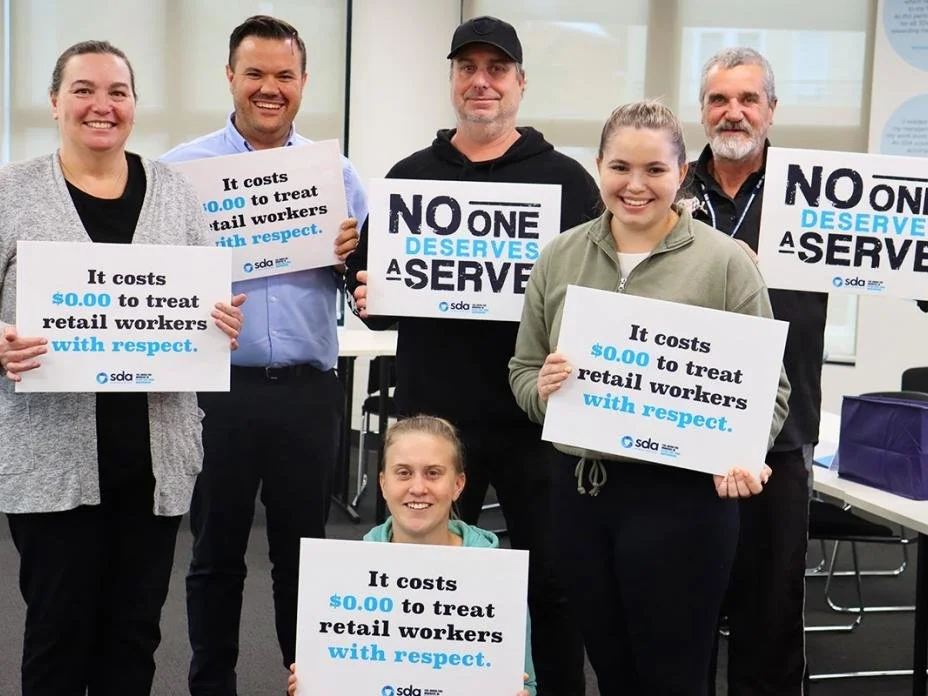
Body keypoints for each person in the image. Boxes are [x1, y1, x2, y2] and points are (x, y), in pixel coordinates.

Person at [347, 16, 600, 694]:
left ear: (520, 83)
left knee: (551, 583)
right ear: (454, 79)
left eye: (496, 69)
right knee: (421, 583)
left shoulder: (568, 182)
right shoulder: (412, 177)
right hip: (435, 422)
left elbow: (602, 290)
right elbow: (371, 291)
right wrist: (367, 291)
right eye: (468, 68)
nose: (481, 81)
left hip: (539, 421)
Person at [508, 100, 790, 696]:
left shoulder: (725, 263)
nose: (635, 186)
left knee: (675, 677)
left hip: (683, 502)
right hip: (582, 497)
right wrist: (543, 389)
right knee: (612, 671)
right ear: (598, 167)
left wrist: (746, 449)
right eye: (619, 168)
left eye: (655, 170)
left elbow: (772, 391)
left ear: (682, 172)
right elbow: (523, 368)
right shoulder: (559, 257)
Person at [0, 40, 243, 696]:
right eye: (83, 89)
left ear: (134, 105)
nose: (101, 105)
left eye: (117, 91)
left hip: (154, 462)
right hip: (53, 462)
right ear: (54, 102)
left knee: (135, 636)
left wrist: (219, 323)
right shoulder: (11, 193)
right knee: (57, 633)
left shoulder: (173, 192)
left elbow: (202, 301)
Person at [159, 15, 368, 695]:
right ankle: (210, 684)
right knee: (215, 554)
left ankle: (305, 681)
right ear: (230, 77)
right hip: (216, 389)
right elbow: (153, 287)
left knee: (305, 557)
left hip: (308, 391)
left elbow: (370, 294)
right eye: (255, 73)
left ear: (304, 83)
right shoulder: (181, 174)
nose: (269, 88)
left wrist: (352, 262)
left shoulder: (336, 176)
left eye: (284, 75)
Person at [679, 47, 824, 695]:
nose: (732, 112)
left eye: (747, 99)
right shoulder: (666, 186)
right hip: (679, 426)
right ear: (701, 109)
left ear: (771, 110)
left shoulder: (816, 194)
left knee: (770, 616)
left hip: (780, 434)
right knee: (682, 611)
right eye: (718, 100)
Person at [287, 415, 536, 696]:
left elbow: (525, 681)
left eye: (433, 473)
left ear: (458, 484)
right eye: (403, 473)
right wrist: (310, 685)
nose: (418, 488)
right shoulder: (347, 575)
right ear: (383, 483)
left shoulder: (497, 576)